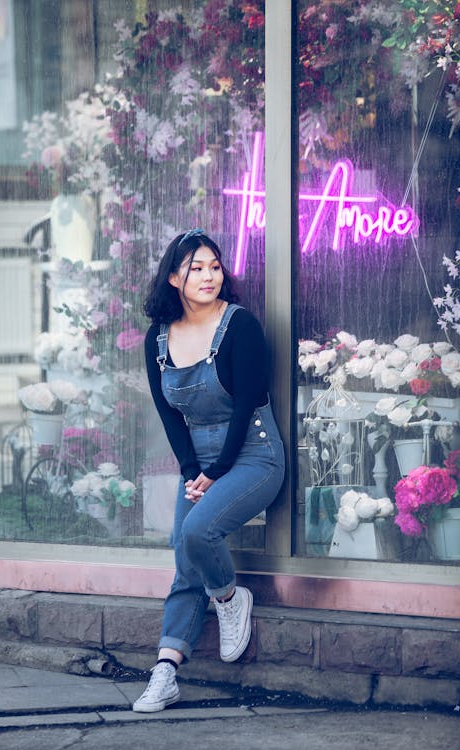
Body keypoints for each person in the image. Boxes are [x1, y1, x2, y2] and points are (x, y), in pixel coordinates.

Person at [133, 229, 285, 713]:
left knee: (197, 532)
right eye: (196, 268)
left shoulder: (240, 325)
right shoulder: (157, 339)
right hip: (202, 465)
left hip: (254, 456)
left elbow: (245, 406)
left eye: (214, 266)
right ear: (174, 277)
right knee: (184, 556)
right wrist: (191, 470)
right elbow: (169, 415)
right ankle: (166, 670)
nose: (208, 276)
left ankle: (228, 597)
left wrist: (216, 471)